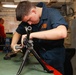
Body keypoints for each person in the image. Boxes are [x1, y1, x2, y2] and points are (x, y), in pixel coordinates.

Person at [11, 1, 68, 75]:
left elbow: (62, 33)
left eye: (29, 19)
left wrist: (32, 35)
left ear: (33, 11)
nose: (29, 23)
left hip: (55, 57)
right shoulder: (29, 19)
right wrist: (13, 44)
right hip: (39, 56)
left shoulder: (52, 14)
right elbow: (17, 32)